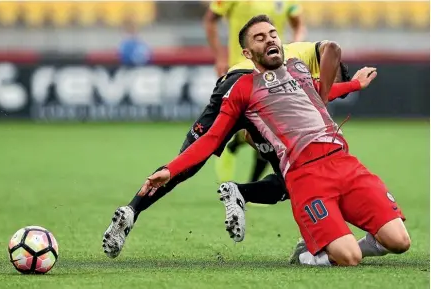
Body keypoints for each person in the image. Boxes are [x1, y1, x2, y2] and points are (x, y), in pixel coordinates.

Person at [137, 15, 410, 266]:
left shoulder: (298, 68)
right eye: (260, 37)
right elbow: (211, 139)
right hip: (305, 176)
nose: (269, 39)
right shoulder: (242, 90)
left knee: (400, 242)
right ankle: (307, 255)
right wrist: (171, 169)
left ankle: (332, 244)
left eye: (272, 34)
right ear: (247, 53)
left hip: (344, 164)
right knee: (349, 258)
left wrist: (354, 85)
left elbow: (316, 91)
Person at [102, 42, 371, 258]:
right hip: (252, 91)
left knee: (186, 165)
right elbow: (332, 50)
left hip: (232, 89)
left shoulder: (292, 70)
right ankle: (243, 193)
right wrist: (350, 86)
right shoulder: (308, 56)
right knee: (295, 176)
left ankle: (132, 210)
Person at [204, 0, 306, 185]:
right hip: (241, 68)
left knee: (271, 130)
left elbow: (298, 23)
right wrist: (219, 57)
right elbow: (210, 20)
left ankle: (253, 186)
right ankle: (232, 147)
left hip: (274, 70)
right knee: (250, 128)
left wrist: (293, 49)